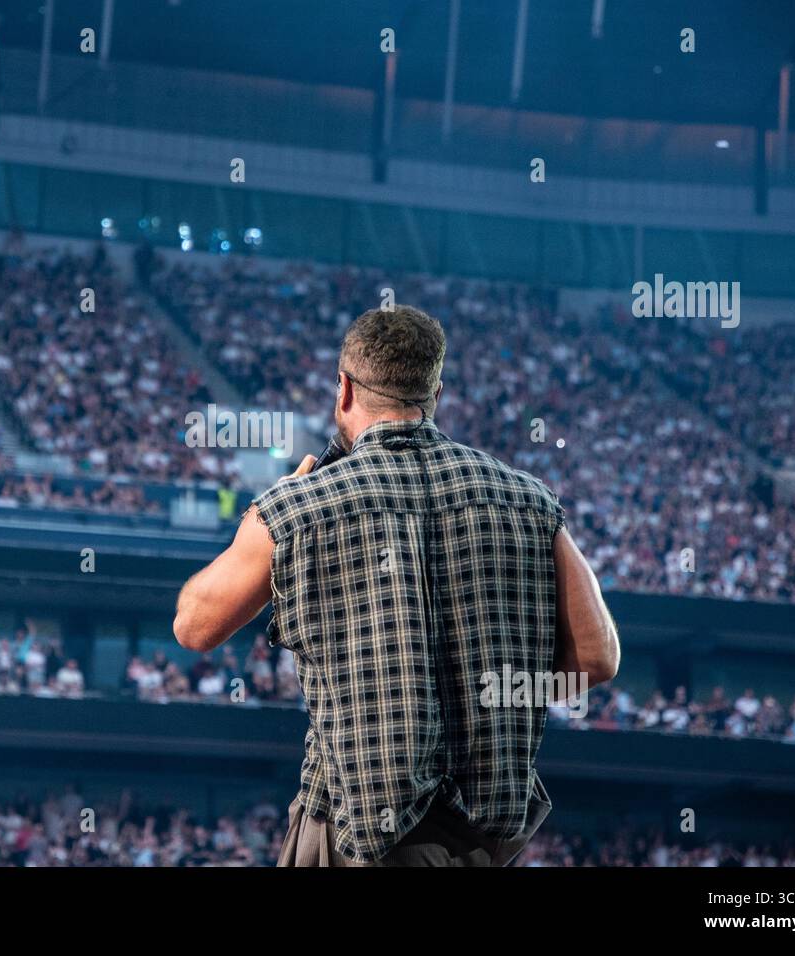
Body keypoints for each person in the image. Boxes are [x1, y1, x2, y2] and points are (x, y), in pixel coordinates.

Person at [173, 305, 619, 867]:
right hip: (477, 844)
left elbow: (193, 626)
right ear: (435, 396)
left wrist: (263, 513)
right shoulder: (530, 501)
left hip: (353, 836)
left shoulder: (299, 506)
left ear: (343, 389)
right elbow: (598, 657)